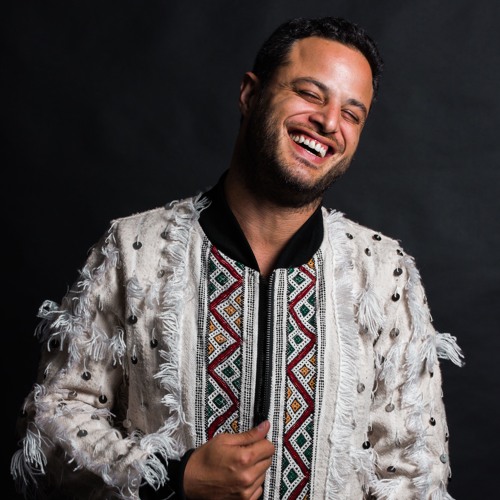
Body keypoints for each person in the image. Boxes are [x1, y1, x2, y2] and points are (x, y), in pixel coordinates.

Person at [11, 16, 463, 500]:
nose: (330, 123)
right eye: (310, 94)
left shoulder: (383, 272)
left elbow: (415, 469)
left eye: (352, 114)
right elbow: (53, 420)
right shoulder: (133, 249)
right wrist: (175, 478)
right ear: (250, 94)